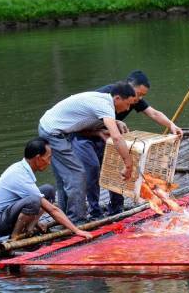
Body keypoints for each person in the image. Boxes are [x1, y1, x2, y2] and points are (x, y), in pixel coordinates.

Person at [73, 70, 183, 218]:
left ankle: (116, 207)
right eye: (138, 94)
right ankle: (94, 211)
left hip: (108, 136)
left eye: (142, 95)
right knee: (93, 168)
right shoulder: (107, 95)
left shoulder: (134, 99)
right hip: (85, 135)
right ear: (127, 89)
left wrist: (171, 125)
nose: (138, 99)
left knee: (118, 168)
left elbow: (154, 113)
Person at [38, 82, 136, 223]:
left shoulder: (102, 100)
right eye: (128, 104)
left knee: (64, 177)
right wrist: (128, 164)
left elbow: (80, 123)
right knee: (76, 174)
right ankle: (77, 219)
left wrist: (104, 128)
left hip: (49, 126)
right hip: (53, 132)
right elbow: (116, 137)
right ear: (118, 99)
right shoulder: (105, 106)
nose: (128, 108)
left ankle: (65, 217)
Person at [0, 137, 93, 241]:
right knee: (34, 200)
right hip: (0, 222)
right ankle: (15, 237)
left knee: (48, 190)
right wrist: (77, 231)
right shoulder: (20, 175)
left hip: (9, 213)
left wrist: (37, 223)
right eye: (48, 158)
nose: (49, 162)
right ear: (38, 158)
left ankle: (30, 227)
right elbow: (52, 209)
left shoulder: (22, 168)